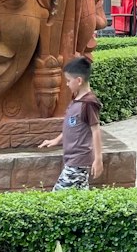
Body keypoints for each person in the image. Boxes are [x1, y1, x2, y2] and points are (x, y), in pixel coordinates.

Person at [39, 55, 103, 190]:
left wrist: (98, 159)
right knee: (80, 199)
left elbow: (95, 131)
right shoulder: (77, 100)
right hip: (73, 160)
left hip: (78, 161)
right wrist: (56, 140)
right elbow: (71, 126)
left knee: (58, 196)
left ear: (78, 80)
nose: (67, 84)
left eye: (68, 81)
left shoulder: (88, 103)